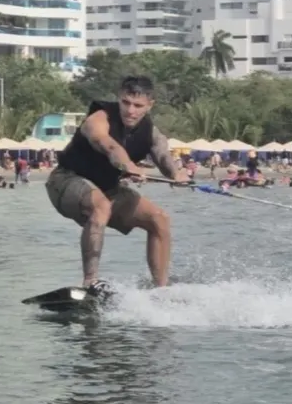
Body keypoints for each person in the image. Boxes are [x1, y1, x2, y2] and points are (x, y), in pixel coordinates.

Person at [47, 75, 188, 289]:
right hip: (66, 181)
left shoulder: (152, 133)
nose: (130, 110)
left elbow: (162, 156)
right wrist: (128, 165)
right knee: (100, 206)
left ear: (150, 105)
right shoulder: (98, 119)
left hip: (108, 189)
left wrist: (176, 174)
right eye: (125, 102)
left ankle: (161, 289)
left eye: (138, 105)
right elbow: (109, 146)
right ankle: (90, 283)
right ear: (119, 98)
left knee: (159, 219)